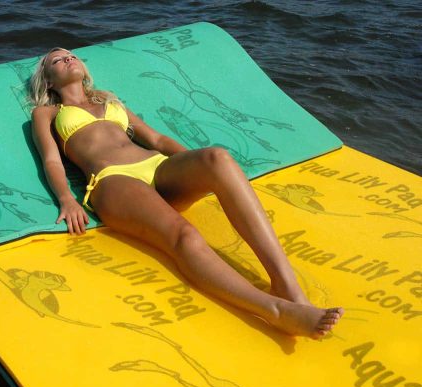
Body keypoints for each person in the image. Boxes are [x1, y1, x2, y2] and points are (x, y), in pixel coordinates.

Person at [30, 47, 343, 339]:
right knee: (185, 235)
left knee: (217, 157)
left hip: (156, 167)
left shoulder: (110, 102)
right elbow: (51, 160)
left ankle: (287, 287)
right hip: (114, 180)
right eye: (58, 60)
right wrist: (66, 198)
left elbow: (157, 140)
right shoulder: (48, 113)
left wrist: (197, 167)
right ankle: (275, 311)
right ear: (48, 80)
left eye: (71, 55)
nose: (68, 59)